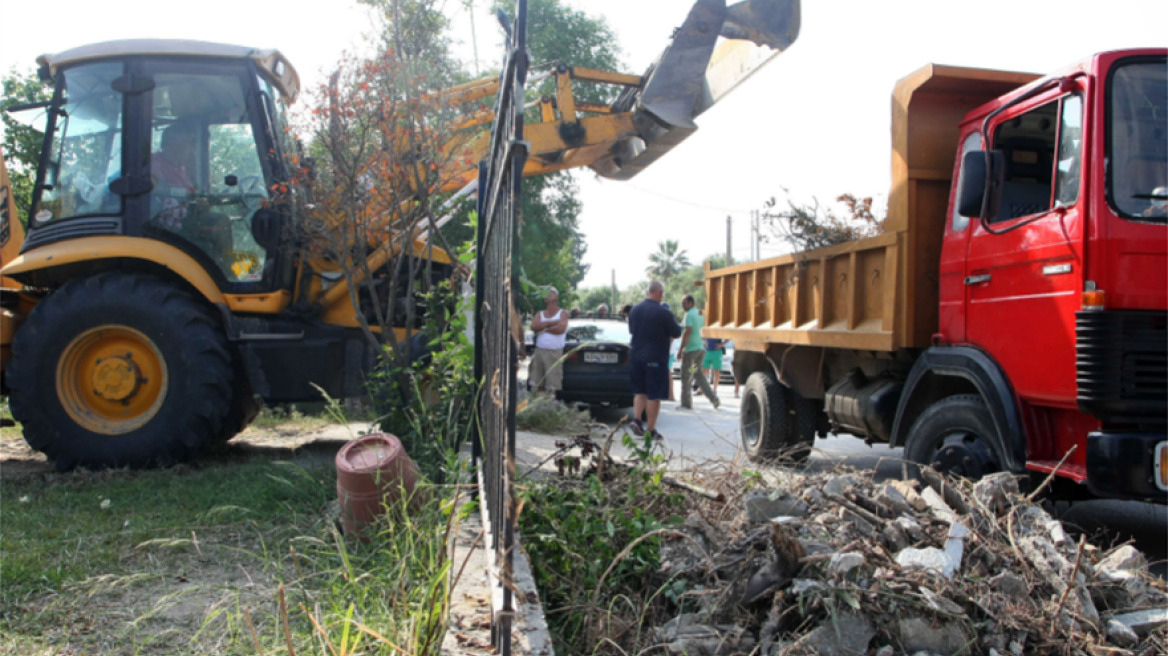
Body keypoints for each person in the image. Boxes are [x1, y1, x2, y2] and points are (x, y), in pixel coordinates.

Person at [628, 281, 682, 440]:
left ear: (647, 292)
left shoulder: (634, 310)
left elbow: (631, 330)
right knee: (654, 394)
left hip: (636, 356)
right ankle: (650, 430)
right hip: (655, 357)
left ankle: (637, 419)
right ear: (660, 293)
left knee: (640, 391)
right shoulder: (663, 312)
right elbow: (677, 332)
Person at [678, 294, 720, 410]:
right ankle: (714, 399)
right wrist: (704, 341)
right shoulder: (701, 313)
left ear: (691, 303)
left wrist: (681, 349)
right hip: (701, 349)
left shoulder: (689, 314)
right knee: (699, 375)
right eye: (682, 303)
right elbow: (707, 329)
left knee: (686, 377)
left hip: (690, 351)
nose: (683, 306)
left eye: (685, 303)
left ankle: (686, 404)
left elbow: (687, 332)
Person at [529, 287, 569, 394]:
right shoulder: (540, 314)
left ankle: (549, 403)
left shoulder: (563, 313)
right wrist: (551, 323)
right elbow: (534, 326)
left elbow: (560, 329)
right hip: (540, 351)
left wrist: (543, 328)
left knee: (552, 385)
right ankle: (539, 403)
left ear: (557, 296)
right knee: (537, 382)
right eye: (546, 293)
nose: (548, 294)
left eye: (551, 292)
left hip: (554, 352)